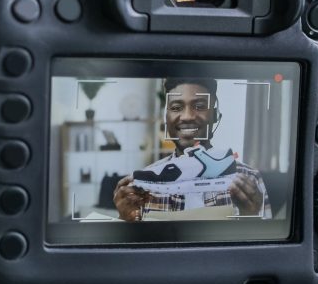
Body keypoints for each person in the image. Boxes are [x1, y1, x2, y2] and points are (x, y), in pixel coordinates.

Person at [113, 77, 270, 222]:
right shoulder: (145, 182)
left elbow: (269, 250)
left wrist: (251, 218)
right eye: (176, 107)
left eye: (199, 106)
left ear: (215, 115)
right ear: (166, 118)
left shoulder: (251, 179)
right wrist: (125, 219)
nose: (187, 116)